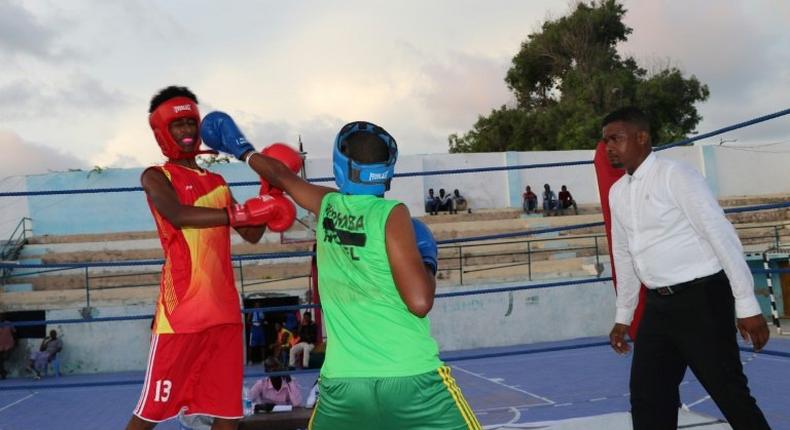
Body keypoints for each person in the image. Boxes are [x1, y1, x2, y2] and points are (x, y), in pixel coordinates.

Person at [200, 114, 482, 429]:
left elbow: (282, 176)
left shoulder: (328, 207)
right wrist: (427, 259)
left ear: (340, 167)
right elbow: (419, 301)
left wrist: (244, 150)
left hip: (344, 385)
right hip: (410, 378)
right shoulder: (392, 214)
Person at [126, 86, 296, 430]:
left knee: (228, 414)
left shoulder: (217, 181)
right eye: (178, 125)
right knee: (149, 415)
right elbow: (176, 214)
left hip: (225, 313)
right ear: (161, 131)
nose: (187, 131)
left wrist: (270, 189)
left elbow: (252, 233)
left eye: (191, 122)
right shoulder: (157, 176)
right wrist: (239, 214)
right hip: (182, 315)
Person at [603, 107, 770, 430]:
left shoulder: (676, 175)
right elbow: (622, 253)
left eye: (616, 138)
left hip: (702, 299)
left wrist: (748, 304)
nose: (609, 146)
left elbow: (720, 235)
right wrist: (623, 316)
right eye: (605, 140)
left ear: (642, 137)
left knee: (729, 393)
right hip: (658, 305)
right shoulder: (617, 192)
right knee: (647, 396)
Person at [0, 314, 15, 380]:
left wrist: (15, 342)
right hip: (0, 344)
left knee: (4, 358)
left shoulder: (8, 323)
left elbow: (14, 331)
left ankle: (3, 372)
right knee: (1, 360)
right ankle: (3, 373)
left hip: (8, 344)